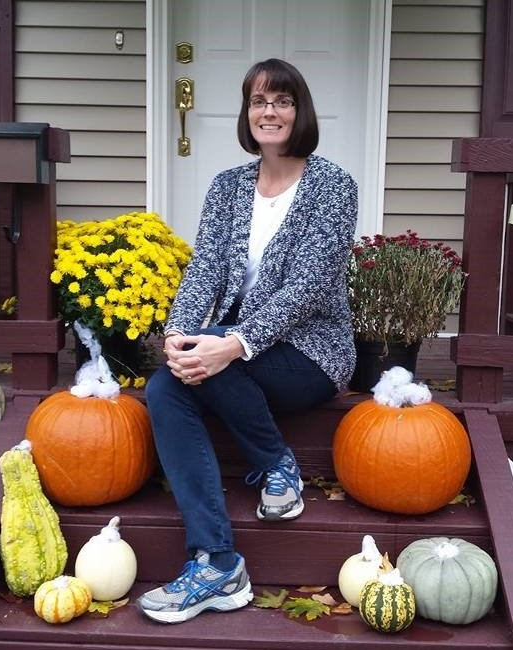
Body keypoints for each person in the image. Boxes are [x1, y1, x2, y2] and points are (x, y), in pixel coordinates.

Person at [137, 58, 358, 624]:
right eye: (259, 101)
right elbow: (205, 269)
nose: (269, 111)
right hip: (232, 352)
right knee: (165, 387)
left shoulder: (333, 186)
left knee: (199, 366)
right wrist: (181, 337)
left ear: (299, 111)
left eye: (281, 101)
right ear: (247, 113)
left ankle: (275, 462)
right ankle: (216, 561)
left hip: (310, 353)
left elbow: (307, 288)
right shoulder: (228, 187)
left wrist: (230, 343)